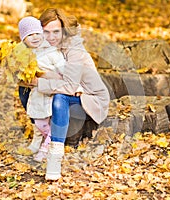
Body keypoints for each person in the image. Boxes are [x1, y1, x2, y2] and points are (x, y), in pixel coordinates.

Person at [25, 8, 110, 180]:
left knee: (59, 98)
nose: (51, 37)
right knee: (24, 87)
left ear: (64, 30)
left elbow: (70, 87)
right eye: (46, 32)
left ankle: (55, 156)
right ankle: (43, 131)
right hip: (71, 91)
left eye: (56, 32)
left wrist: (39, 82)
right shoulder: (46, 46)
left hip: (88, 98)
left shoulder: (74, 50)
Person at [18, 16, 66, 162]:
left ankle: (47, 145)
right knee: (36, 114)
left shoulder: (50, 51)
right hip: (36, 91)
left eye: (37, 33)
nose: (34, 37)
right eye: (29, 35)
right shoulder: (25, 54)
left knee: (47, 117)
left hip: (50, 88)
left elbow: (63, 70)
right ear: (23, 39)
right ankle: (38, 139)